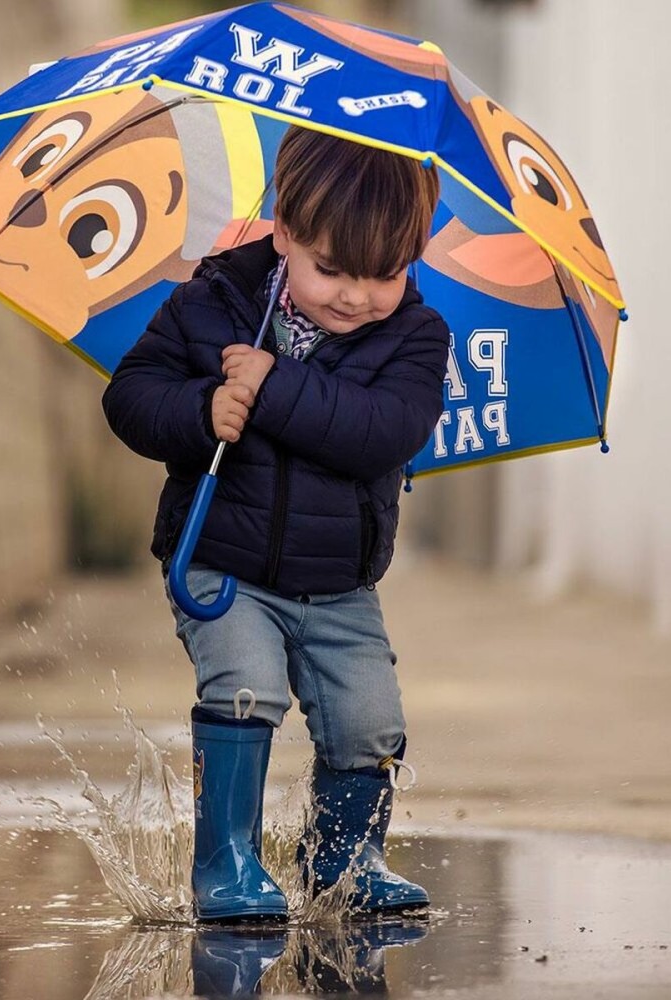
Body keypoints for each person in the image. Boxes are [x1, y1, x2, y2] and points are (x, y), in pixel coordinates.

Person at [102, 125, 448, 922]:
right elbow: (130, 396)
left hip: (338, 583)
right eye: (332, 269)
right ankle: (226, 864)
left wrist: (273, 387)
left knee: (370, 719)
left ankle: (348, 862)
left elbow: (382, 433)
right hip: (224, 561)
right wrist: (200, 409)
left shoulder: (415, 339)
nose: (357, 296)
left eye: (385, 274)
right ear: (285, 231)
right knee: (244, 687)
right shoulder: (211, 302)